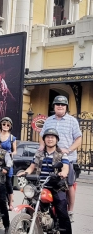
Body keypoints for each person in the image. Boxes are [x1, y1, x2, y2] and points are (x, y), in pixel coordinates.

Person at [18, 128, 74, 234]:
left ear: (56, 140)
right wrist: (25, 172)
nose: (50, 139)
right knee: (29, 206)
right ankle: (28, 233)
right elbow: (32, 167)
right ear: (44, 139)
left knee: (62, 212)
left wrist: (63, 173)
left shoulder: (61, 155)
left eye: (52, 137)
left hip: (56, 187)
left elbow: (65, 167)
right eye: (47, 137)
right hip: (40, 185)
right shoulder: (39, 154)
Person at [39, 95, 82, 223]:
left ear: (66, 107)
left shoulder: (72, 121)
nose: (60, 106)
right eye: (57, 104)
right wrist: (41, 146)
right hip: (49, 156)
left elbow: (78, 139)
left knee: (68, 185)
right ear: (54, 106)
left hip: (66, 158)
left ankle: (70, 211)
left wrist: (68, 149)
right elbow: (42, 136)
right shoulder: (49, 120)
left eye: (63, 105)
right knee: (42, 180)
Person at [0, 117, 16, 211]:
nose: (5, 126)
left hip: (8, 161)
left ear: (10, 127)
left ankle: (10, 202)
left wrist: (11, 154)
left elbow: (15, 151)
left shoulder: (12, 138)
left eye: (8, 125)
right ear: (1, 125)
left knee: (8, 182)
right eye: (4, 124)